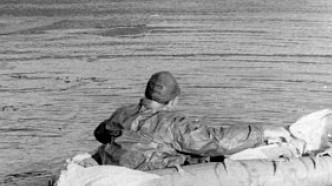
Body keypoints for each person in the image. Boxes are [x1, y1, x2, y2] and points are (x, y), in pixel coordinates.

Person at [93, 71, 290, 170]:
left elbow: (100, 133)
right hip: (149, 172)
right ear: (173, 101)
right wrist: (262, 132)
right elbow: (218, 141)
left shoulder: (121, 113)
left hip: (116, 165)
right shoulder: (172, 124)